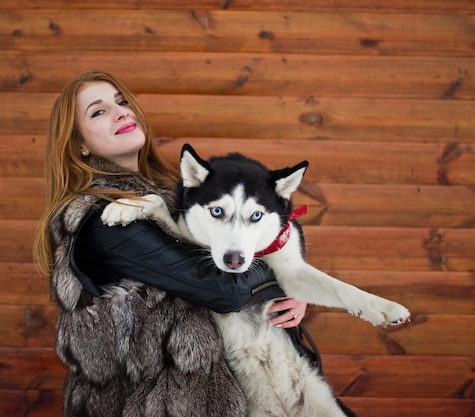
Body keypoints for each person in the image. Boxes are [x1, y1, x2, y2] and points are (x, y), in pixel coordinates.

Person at [33, 71, 309, 417]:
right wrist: (277, 281)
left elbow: (251, 243)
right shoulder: (105, 219)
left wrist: (293, 287)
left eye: (121, 102)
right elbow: (226, 288)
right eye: (98, 112)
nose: (121, 112)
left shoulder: (173, 200)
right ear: (79, 145)